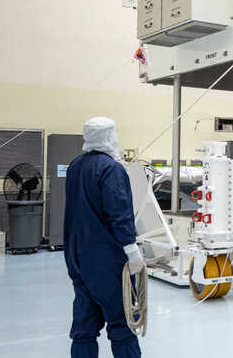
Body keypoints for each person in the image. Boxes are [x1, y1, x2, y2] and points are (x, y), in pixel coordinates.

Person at [64, 117, 144, 358]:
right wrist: (132, 252)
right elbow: (119, 214)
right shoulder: (111, 168)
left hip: (76, 256)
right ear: (110, 136)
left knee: (84, 325)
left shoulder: (75, 166)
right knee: (122, 322)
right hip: (105, 259)